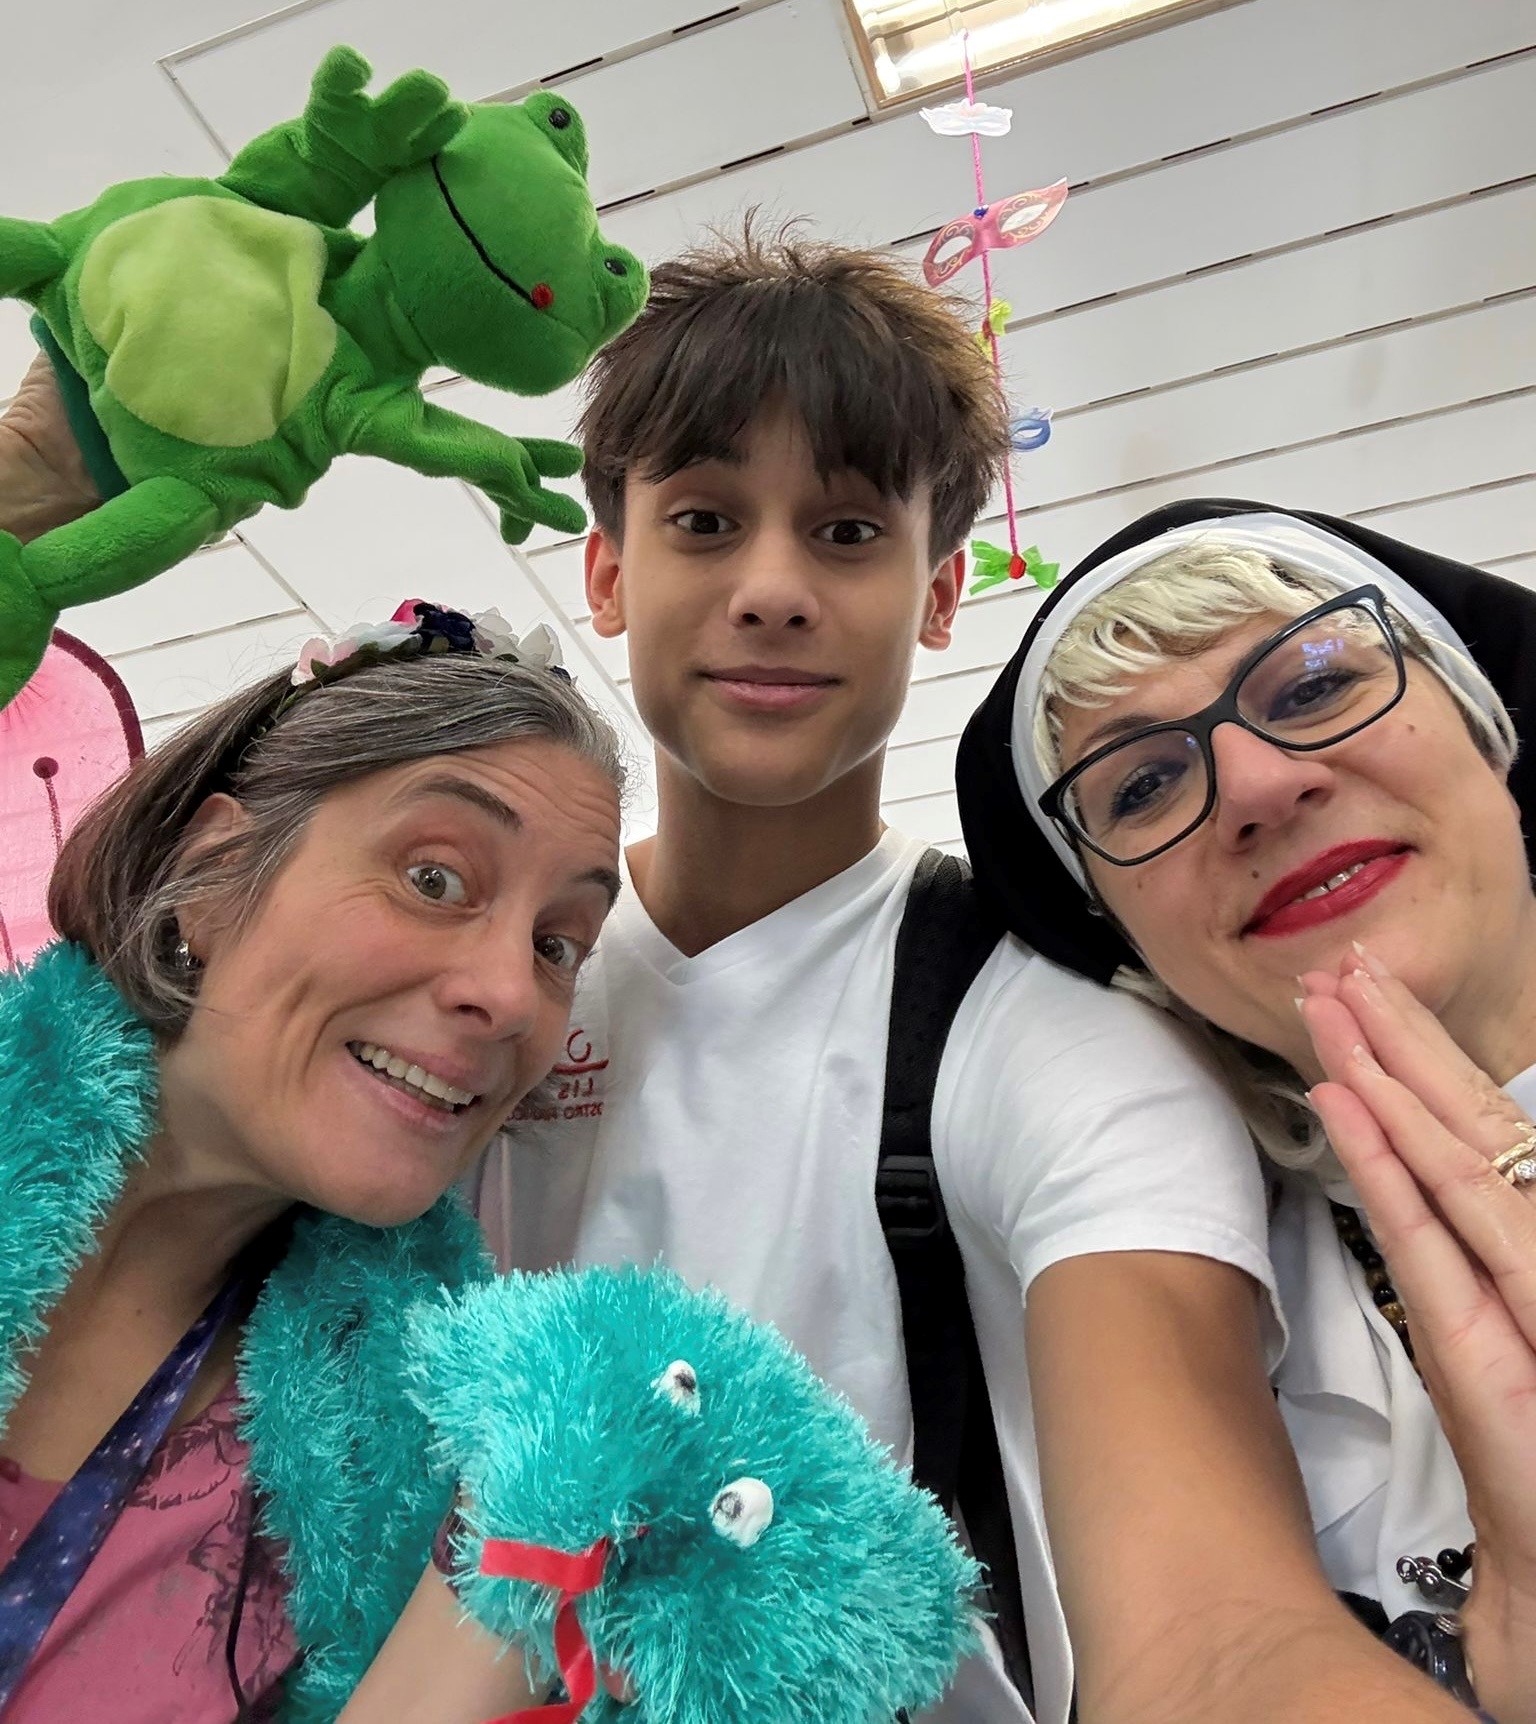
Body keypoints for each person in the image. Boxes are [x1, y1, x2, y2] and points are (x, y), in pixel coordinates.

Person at [473, 230, 1474, 1723]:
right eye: (704, 520)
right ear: (608, 570)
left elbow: (1211, 1631)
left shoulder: (1036, 1023)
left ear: (940, 593)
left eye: (847, 532)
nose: (772, 588)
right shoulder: (480, 989)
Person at [0, 571, 627, 1719]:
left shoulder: (414, 1474)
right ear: (209, 875)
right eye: (434, 877)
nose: (508, 994)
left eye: (558, 942)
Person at [956, 497, 1536, 1723]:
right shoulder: (1208, 1298)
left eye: (1316, 684)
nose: (1257, 786)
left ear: (1484, 719)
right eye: (1143, 784)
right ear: (1128, 939)